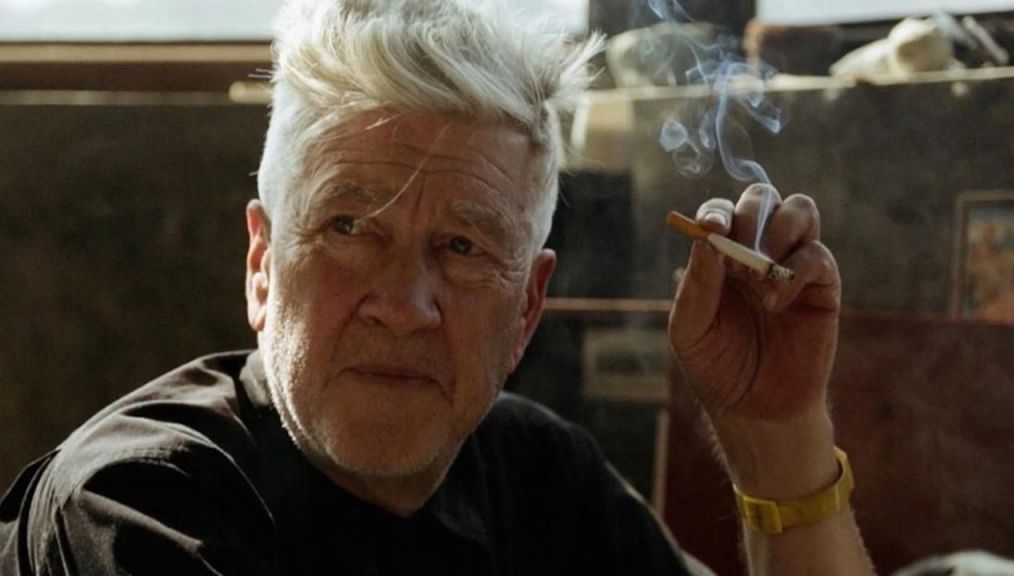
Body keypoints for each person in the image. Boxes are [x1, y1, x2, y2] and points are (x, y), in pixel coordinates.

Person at [0, 0, 875, 574]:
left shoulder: (537, 479)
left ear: (526, 309)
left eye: (461, 247)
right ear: (262, 265)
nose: (404, 305)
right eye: (350, 230)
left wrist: (777, 434)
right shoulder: (139, 505)